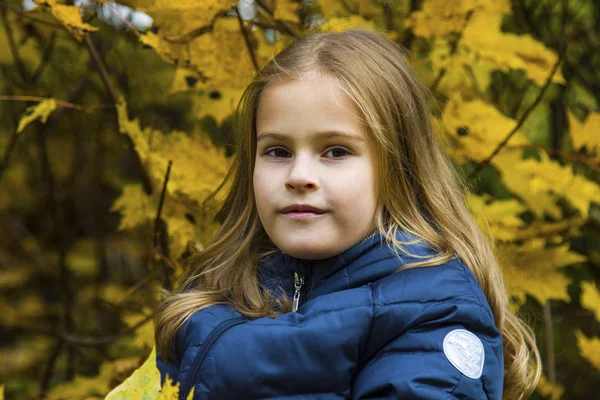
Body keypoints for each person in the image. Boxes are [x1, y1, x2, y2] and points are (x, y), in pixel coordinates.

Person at [154, 28, 541, 399]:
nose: (299, 176)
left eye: (335, 151)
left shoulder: (430, 309)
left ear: (397, 166)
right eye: (278, 151)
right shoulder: (217, 295)